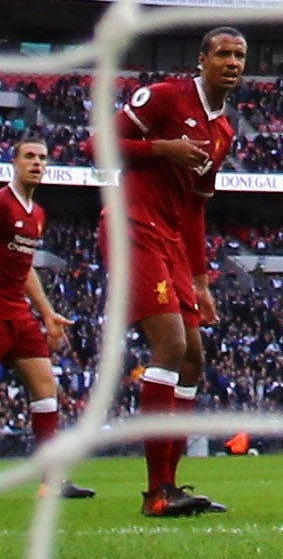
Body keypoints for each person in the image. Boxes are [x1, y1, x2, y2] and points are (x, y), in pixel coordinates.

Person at [100, 26, 244, 517]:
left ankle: (172, 484)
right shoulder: (164, 97)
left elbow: (196, 209)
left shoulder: (223, 133)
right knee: (171, 346)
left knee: (194, 359)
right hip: (132, 226)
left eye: (239, 55)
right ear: (201, 59)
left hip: (173, 241)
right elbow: (98, 145)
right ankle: (157, 491)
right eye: (222, 53)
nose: (232, 62)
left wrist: (201, 281)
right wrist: (163, 147)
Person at [2, 139, 93, 499]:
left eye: (42, 157)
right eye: (29, 157)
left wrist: (47, 313)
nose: (36, 163)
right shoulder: (2, 204)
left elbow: (25, 269)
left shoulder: (36, 214)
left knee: (45, 390)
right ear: (14, 162)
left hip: (18, 312)